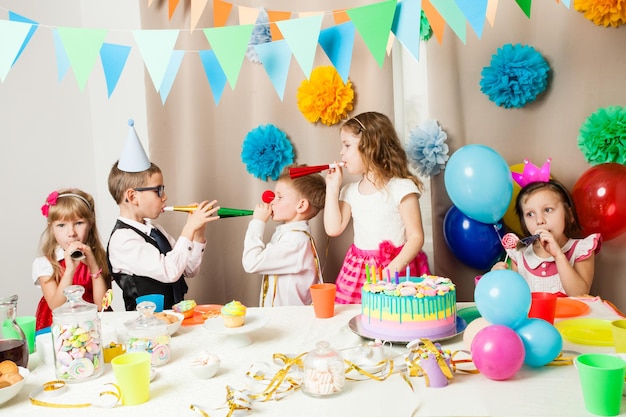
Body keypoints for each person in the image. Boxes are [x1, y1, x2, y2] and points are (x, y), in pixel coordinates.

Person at [107, 120, 219, 311]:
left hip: (173, 321)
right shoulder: (123, 240)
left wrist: (198, 233)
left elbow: (188, 269)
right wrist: (188, 228)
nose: (165, 196)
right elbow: (170, 271)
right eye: (158, 190)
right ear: (133, 196)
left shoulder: (156, 231)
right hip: (146, 329)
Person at [324, 111, 431, 304]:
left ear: (370, 146)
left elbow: (416, 236)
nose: (341, 152)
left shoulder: (402, 188)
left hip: (396, 269)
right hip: (360, 271)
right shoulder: (349, 191)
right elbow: (333, 228)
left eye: (347, 145)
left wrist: (393, 268)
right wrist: (332, 188)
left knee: (395, 317)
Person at [492, 174, 601, 297]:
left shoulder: (581, 249)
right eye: (530, 214)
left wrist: (558, 255)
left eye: (548, 210)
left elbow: (580, 295)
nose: (539, 220)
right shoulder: (519, 254)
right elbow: (513, 299)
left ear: (569, 215)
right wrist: (497, 280)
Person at [242, 168, 326, 306]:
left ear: (301, 205)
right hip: (282, 319)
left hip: (290, 321)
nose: (272, 202)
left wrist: (257, 222)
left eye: (279, 197)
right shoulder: (288, 235)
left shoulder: (296, 242)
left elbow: (251, 263)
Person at [32, 188, 111, 330]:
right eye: (61, 225)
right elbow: (56, 306)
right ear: (51, 228)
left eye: (79, 223)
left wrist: (93, 266)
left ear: (90, 223)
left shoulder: (99, 257)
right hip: (61, 328)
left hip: (92, 325)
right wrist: (70, 270)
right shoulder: (45, 264)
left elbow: (102, 305)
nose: (71, 233)